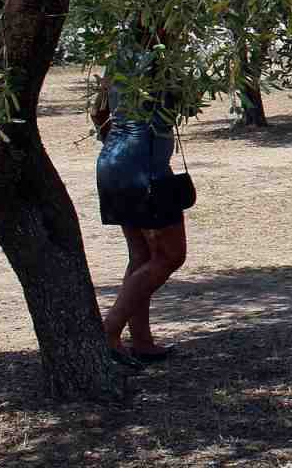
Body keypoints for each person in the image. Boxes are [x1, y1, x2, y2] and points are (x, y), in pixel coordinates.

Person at [94, 20, 190, 367]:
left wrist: (120, 145)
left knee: (141, 256)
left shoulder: (118, 60)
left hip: (113, 162)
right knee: (169, 256)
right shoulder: (159, 63)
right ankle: (108, 331)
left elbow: (98, 111)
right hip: (145, 171)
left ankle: (142, 341)